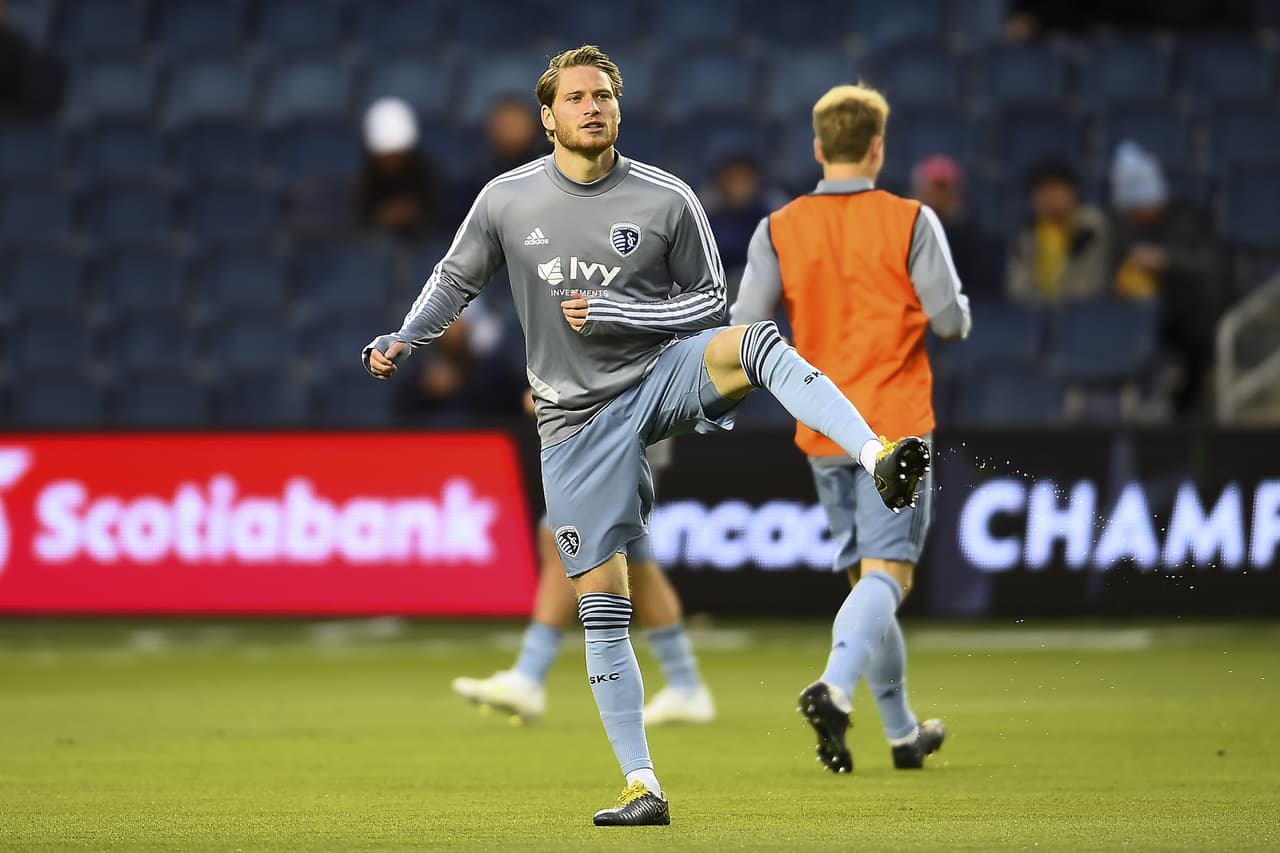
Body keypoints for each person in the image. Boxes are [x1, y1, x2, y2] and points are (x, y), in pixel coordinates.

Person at [362, 45, 929, 827]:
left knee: (755, 341)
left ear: (618, 110)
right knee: (603, 604)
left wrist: (624, 314)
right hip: (572, 422)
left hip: (655, 380)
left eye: (604, 96)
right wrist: (406, 336)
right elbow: (456, 277)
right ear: (548, 117)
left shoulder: (666, 199)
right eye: (577, 97)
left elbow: (707, 303)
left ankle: (876, 455)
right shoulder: (506, 200)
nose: (592, 106)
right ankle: (642, 785)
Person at [732, 84, 971, 774]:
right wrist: (952, 306)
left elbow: (747, 326)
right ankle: (834, 686)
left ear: (817, 148)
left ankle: (901, 734)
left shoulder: (779, 226)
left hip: (822, 428)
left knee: (867, 583)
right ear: (877, 147)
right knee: (889, 576)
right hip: (894, 427)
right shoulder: (910, 219)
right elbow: (950, 321)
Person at [451, 436, 715, 726]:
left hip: (617, 431)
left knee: (564, 536)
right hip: (608, 433)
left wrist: (559, 391)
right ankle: (685, 685)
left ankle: (528, 676)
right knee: (630, 554)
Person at [1109, 141, 1223, 415]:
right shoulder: (1125, 227)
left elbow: (1207, 265)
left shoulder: (1187, 217)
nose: (1138, 214)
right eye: (1132, 210)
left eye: (1142, 206)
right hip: (1147, 318)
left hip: (1191, 320)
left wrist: (1164, 260)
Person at [1006, 159, 1111, 305]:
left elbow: (1088, 287)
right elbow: (1017, 289)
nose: (1048, 198)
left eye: (1054, 188)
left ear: (1072, 191)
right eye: (1041, 191)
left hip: (1083, 317)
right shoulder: (1026, 234)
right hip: (1036, 314)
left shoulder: (1090, 228)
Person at [356, 97, 448, 238]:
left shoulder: (428, 175)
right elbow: (358, 220)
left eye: (397, 155)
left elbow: (440, 216)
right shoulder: (365, 180)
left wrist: (414, 214)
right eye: (385, 156)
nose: (392, 162)